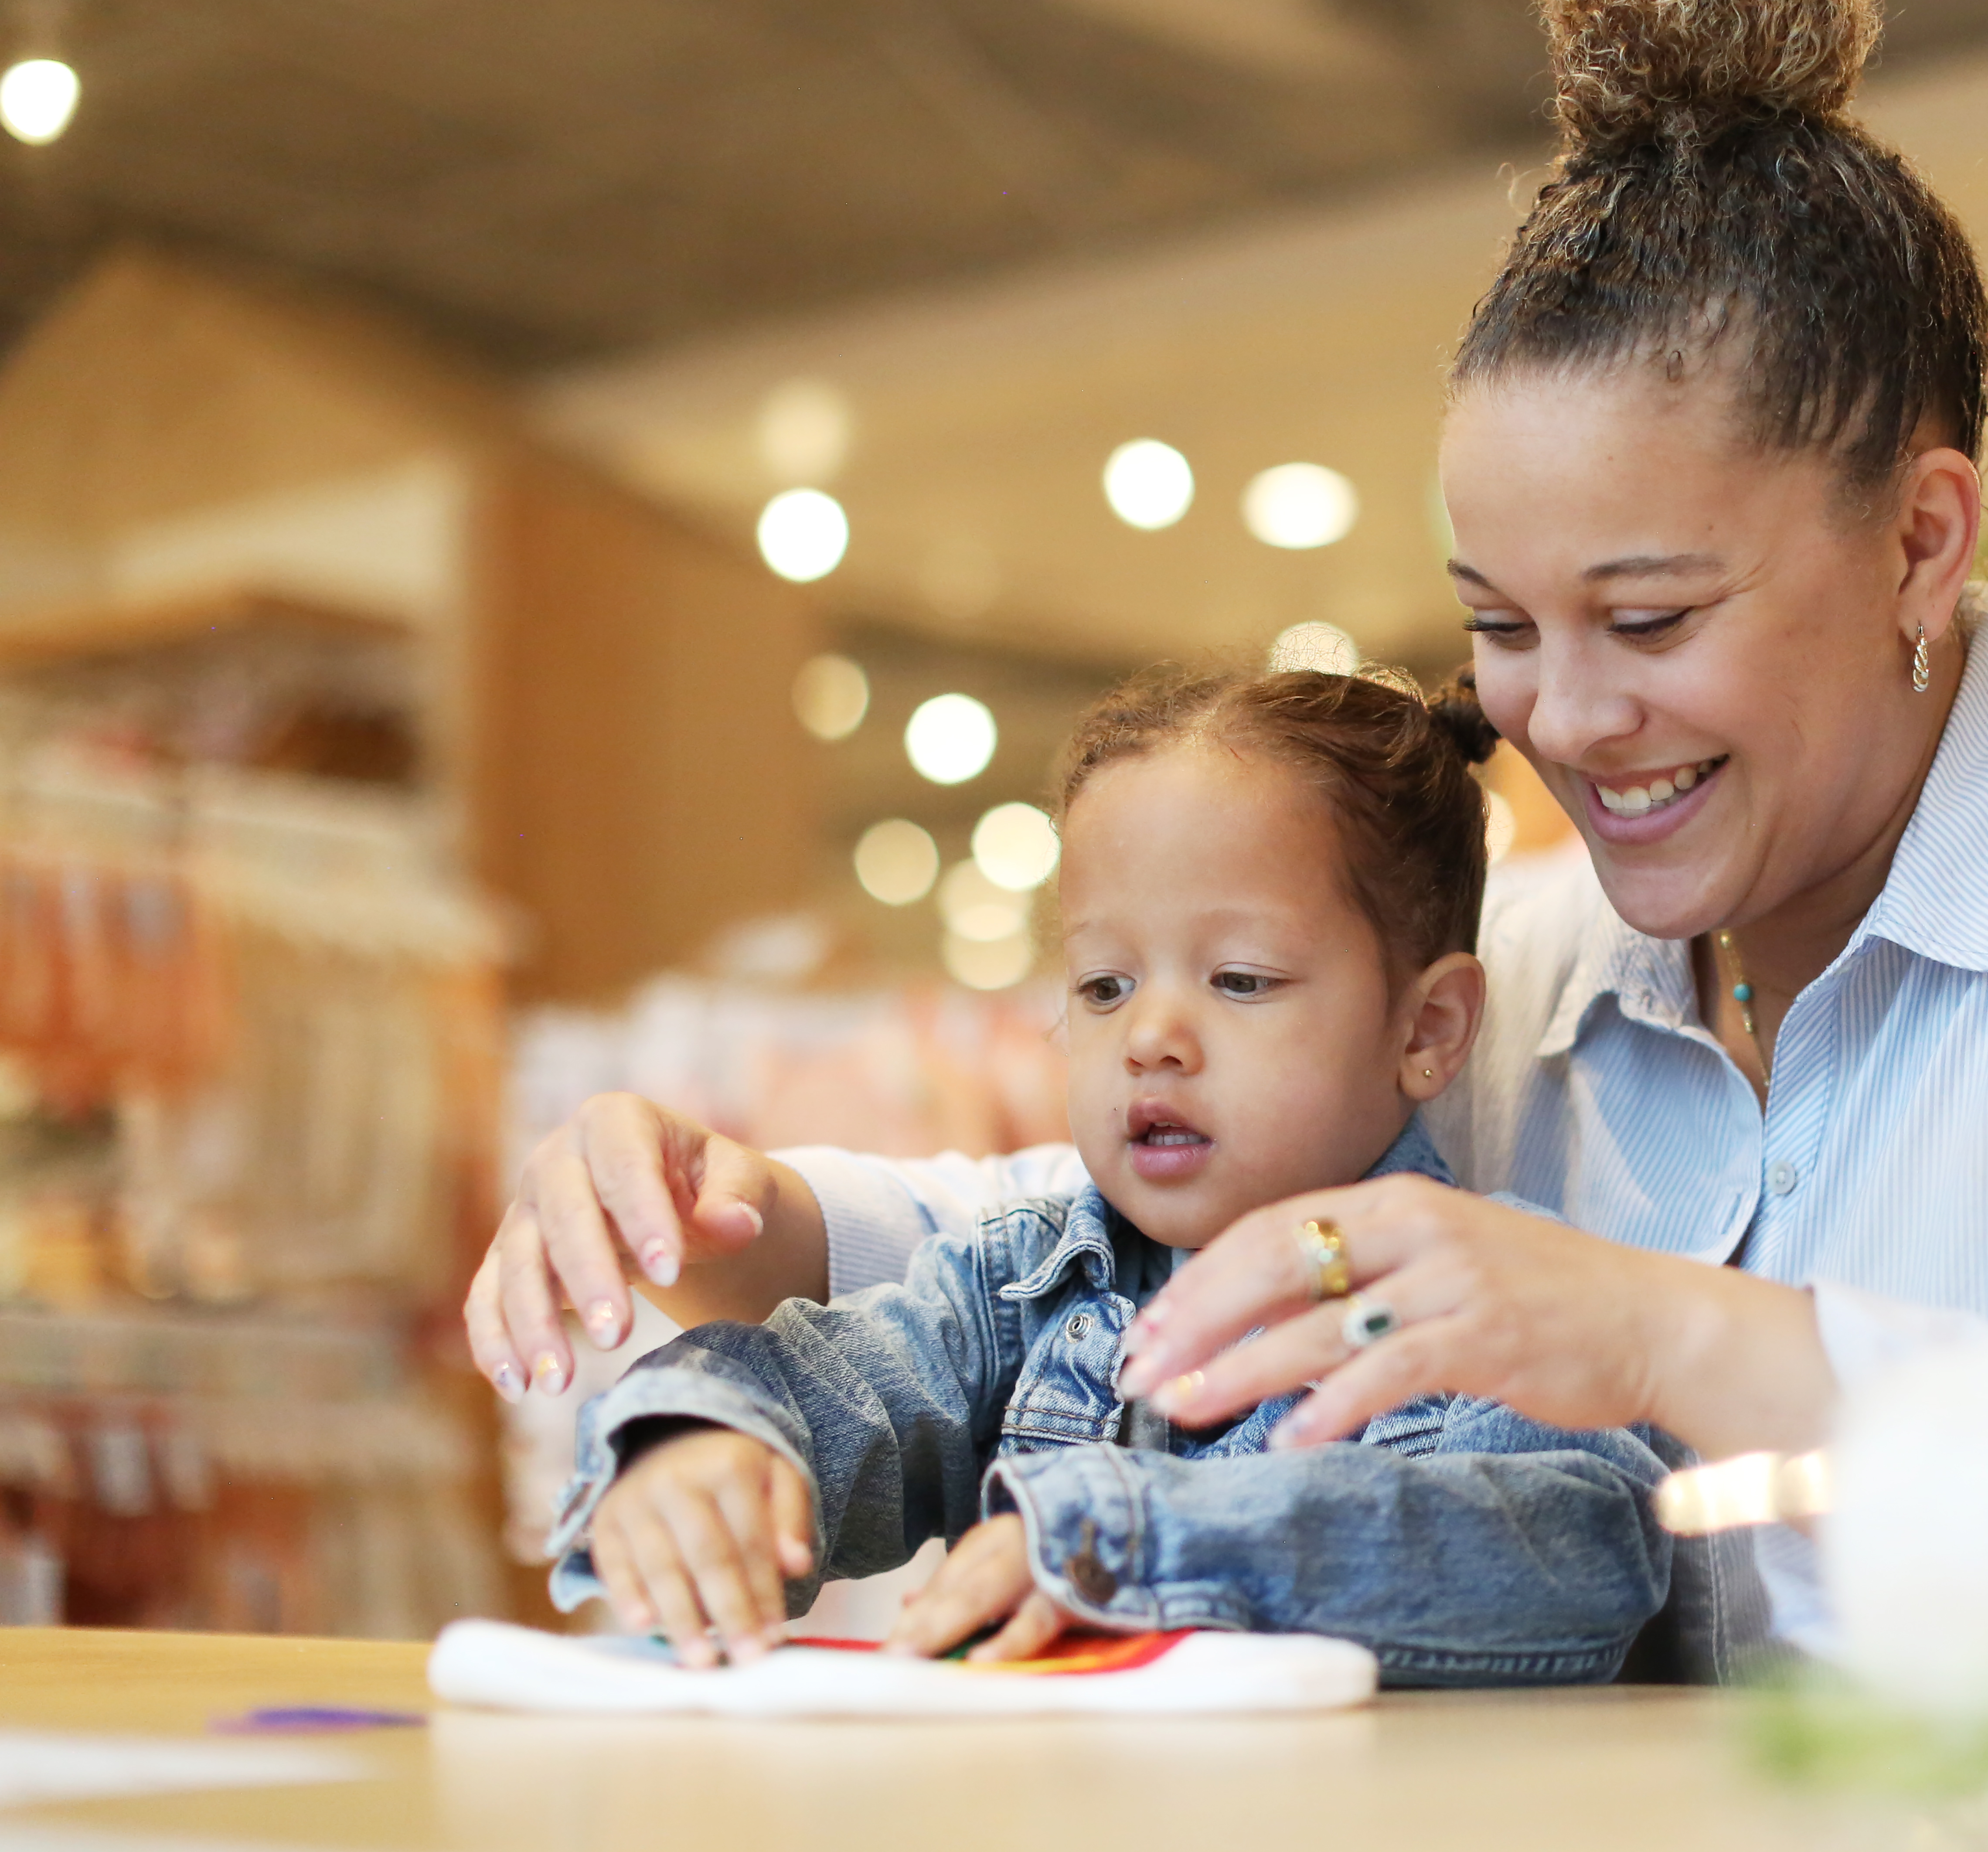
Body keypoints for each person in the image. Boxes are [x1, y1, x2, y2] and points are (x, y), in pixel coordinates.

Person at [468, 0, 1988, 1662]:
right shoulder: (1537, 975)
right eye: (1500, 629)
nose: (1560, 720)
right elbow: (1071, 1228)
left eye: (1650, 622)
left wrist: (1677, 1337)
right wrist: (707, 1202)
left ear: (1923, 538)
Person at [545, 664, 1669, 1679]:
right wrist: (700, 1443)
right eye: (1102, 987)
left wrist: (1123, 1538)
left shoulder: (1482, 1296)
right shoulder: (1024, 1288)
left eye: (1240, 980)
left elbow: (1573, 1552)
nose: (1151, 1038)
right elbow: (835, 1382)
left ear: (1427, 1026)